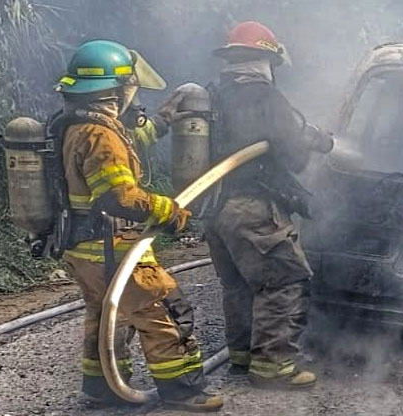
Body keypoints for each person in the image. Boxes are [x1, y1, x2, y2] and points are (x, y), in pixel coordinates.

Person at [50, 39, 222, 411]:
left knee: (106, 316)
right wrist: (168, 209)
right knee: (163, 310)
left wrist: (160, 122)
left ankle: (102, 388)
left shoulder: (74, 125)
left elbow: (127, 143)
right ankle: (184, 391)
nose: (133, 95)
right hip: (112, 247)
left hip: (82, 248)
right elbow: (119, 196)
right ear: (116, 87)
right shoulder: (101, 135)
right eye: (131, 87)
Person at [204, 21, 332, 389]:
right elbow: (292, 155)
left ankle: (242, 358)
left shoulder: (213, 95)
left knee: (239, 284)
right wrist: (315, 144)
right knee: (283, 279)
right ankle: (273, 366)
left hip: (215, 208)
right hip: (252, 207)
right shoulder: (267, 97)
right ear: (266, 59)